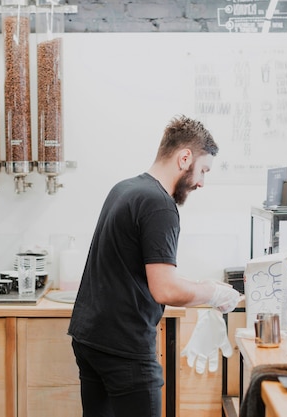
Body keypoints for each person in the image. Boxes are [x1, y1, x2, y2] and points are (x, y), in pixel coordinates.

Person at [68, 115, 243, 417]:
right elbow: (165, 289)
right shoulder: (159, 204)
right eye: (203, 169)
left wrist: (197, 287)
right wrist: (213, 293)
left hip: (91, 338)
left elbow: (142, 271)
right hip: (124, 348)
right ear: (184, 157)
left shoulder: (125, 188)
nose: (201, 182)